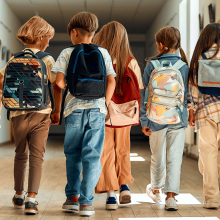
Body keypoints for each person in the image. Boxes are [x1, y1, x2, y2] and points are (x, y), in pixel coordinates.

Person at [52, 12, 116, 216]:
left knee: (73, 154)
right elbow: (112, 81)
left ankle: (71, 198)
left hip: (74, 110)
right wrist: (104, 104)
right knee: (93, 155)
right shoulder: (103, 53)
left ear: (73, 32)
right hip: (97, 109)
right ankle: (86, 203)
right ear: (93, 33)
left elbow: (59, 82)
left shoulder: (67, 52)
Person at [0, 16, 62, 214]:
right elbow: (57, 85)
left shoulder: (14, 58)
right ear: (42, 36)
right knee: (37, 156)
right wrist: (57, 111)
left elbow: (1, 79)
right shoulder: (47, 59)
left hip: (17, 114)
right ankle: (31, 199)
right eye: (49, 39)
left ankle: (18, 194)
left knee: (20, 154)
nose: (49, 42)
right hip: (41, 112)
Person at [93, 21, 144, 210]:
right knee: (123, 149)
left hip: (104, 112)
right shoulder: (130, 61)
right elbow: (139, 88)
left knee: (105, 152)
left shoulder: (99, 58)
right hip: (125, 114)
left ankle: (111, 195)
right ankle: (125, 187)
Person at [140, 27, 189, 211]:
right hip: (178, 118)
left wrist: (144, 121)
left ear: (160, 45)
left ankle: (156, 189)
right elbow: (188, 96)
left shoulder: (151, 65)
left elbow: (145, 96)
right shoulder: (184, 66)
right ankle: (171, 197)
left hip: (156, 118)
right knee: (175, 158)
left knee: (157, 156)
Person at [188, 23, 220, 209]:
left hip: (206, 111)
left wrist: (191, 111)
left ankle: (212, 198)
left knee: (208, 154)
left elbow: (193, 89)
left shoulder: (199, 58)